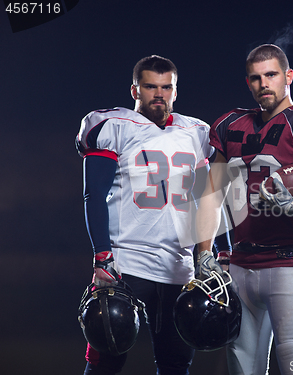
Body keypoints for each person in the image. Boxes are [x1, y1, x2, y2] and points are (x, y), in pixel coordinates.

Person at [195, 44, 293, 375]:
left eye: (271, 75)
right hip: (239, 264)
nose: (263, 84)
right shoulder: (230, 125)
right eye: (255, 78)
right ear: (248, 83)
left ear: (288, 76)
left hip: (289, 262)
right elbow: (211, 191)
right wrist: (203, 252)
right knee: (241, 367)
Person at [76, 55, 229, 375]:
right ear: (135, 90)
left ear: (175, 90)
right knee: (106, 357)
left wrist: (220, 250)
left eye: (166, 87)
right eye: (150, 87)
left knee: (175, 363)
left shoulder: (196, 132)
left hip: (179, 264)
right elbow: (94, 195)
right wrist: (102, 257)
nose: (159, 94)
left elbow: (210, 199)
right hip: (125, 263)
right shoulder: (114, 126)